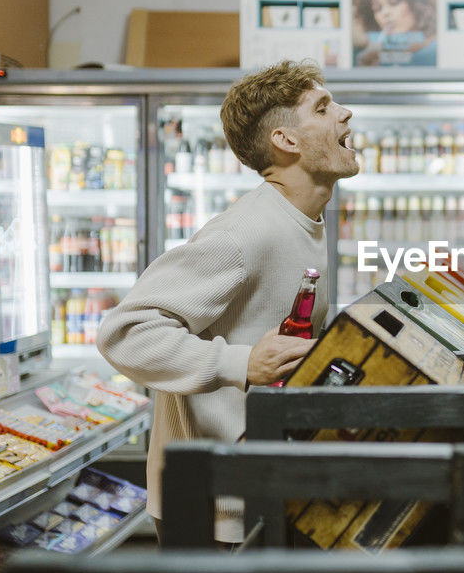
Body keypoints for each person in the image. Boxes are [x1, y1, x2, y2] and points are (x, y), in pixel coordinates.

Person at [98, 59, 360, 544]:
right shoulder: (244, 234)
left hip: (259, 489)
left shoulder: (302, 221)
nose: (345, 114)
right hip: (213, 510)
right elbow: (125, 332)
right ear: (287, 141)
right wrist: (240, 363)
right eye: (323, 108)